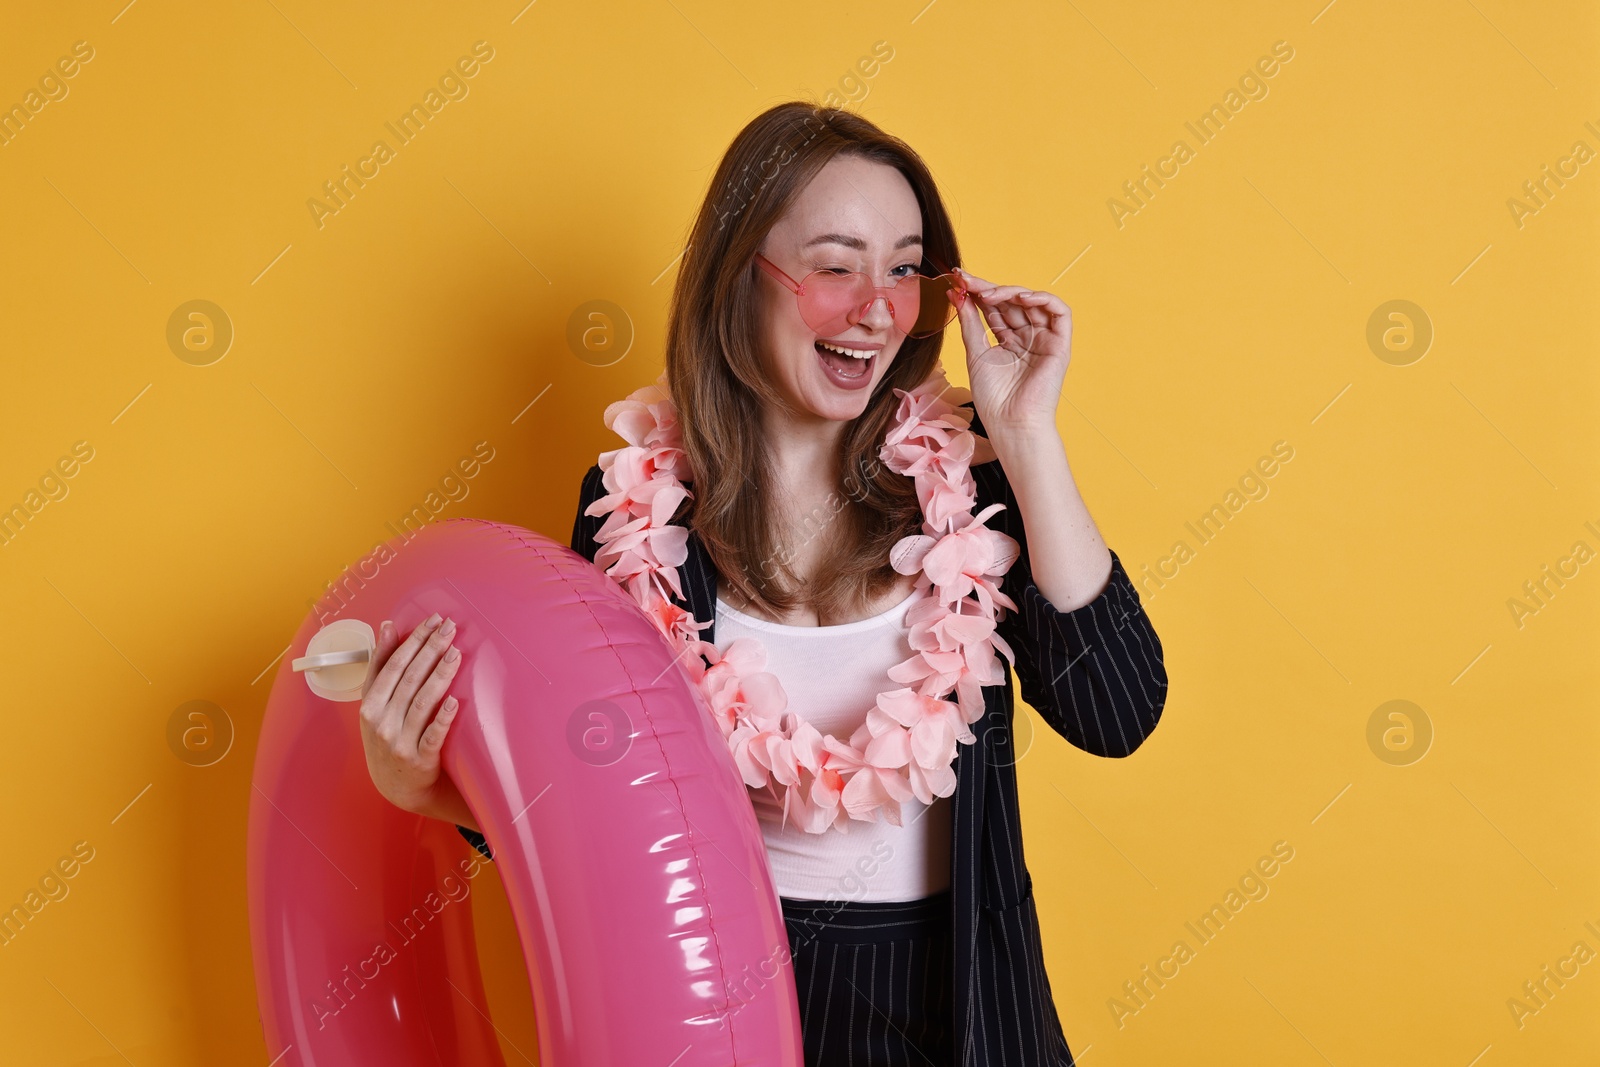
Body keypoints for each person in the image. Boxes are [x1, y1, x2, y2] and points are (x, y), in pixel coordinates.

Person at [357, 101, 1169, 1067]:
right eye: (836, 264)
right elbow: (590, 811)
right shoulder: (627, 509)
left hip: (964, 1011)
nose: (877, 307)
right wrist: (431, 792)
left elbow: (1115, 710)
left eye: (905, 268)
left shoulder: (976, 483)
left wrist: (1028, 436)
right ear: (741, 278)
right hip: (717, 998)